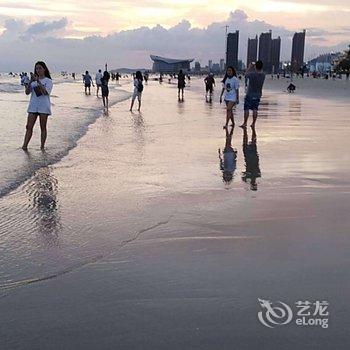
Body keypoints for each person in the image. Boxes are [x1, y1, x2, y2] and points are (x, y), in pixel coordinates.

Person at [22, 61, 53, 151]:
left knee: (42, 127)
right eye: (36, 68)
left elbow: (45, 92)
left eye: (40, 68)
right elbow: (27, 92)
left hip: (43, 106)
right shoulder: (33, 81)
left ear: (44, 69)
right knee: (28, 126)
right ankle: (24, 145)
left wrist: (38, 82)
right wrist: (31, 81)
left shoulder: (48, 81)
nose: (38, 70)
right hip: (33, 106)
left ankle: (42, 146)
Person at [240, 60, 265, 128]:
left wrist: (250, 67)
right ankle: (253, 123)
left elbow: (245, 75)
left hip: (250, 93)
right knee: (255, 109)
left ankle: (245, 123)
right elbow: (260, 71)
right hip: (258, 94)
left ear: (255, 66)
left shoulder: (252, 74)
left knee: (246, 108)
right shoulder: (263, 75)